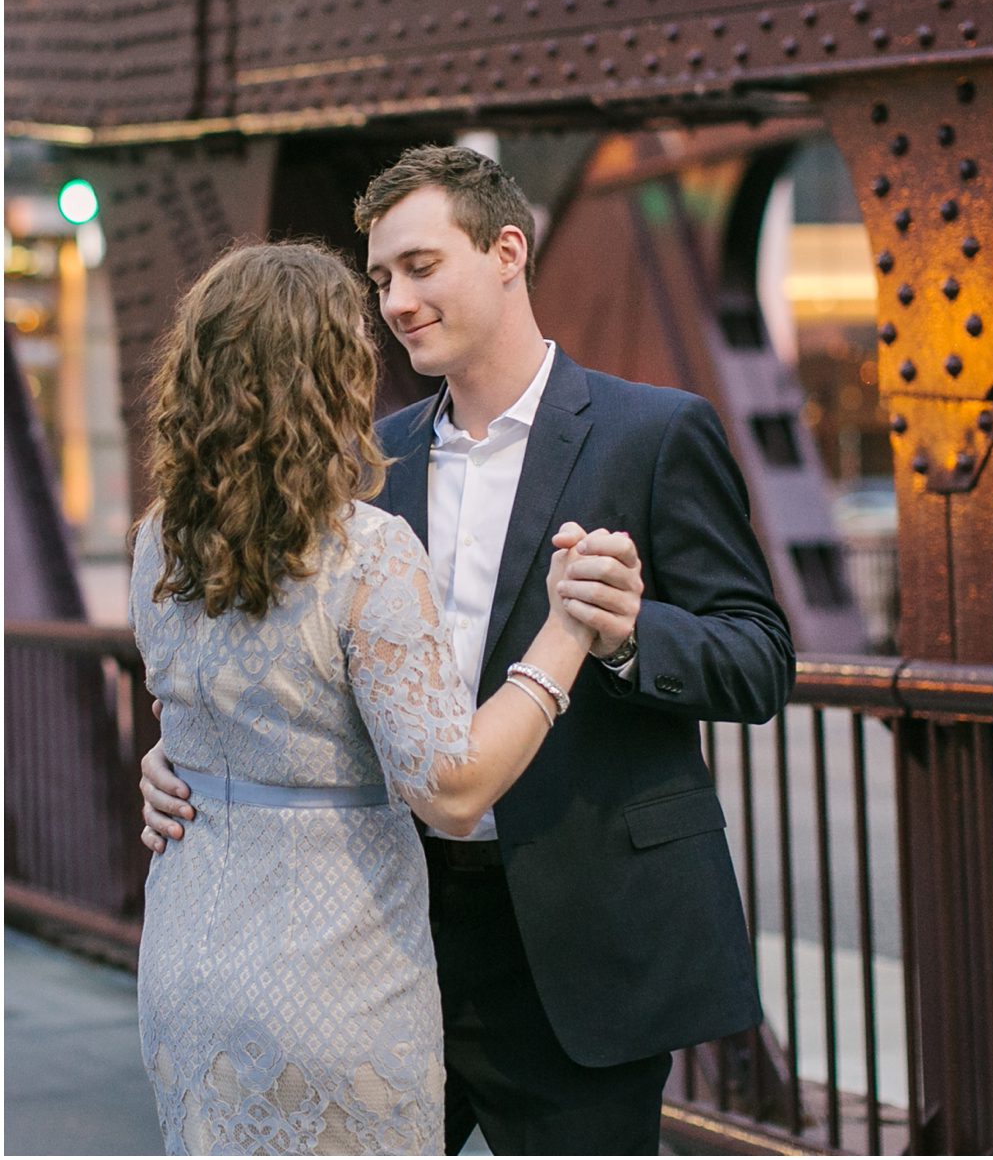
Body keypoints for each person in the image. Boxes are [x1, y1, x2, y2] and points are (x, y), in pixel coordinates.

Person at [142, 148, 793, 1154]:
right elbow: (294, 661)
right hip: (377, 940)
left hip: (582, 946)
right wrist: (191, 758)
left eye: (419, 265)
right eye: (380, 280)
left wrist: (625, 635)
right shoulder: (366, 462)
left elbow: (758, 658)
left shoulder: (653, 433)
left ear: (504, 251)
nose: (395, 301)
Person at [130, 242, 600, 1153]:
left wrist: (173, 760)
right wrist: (565, 635)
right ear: (333, 375)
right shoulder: (365, 551)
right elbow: (450, 789)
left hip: (185, 961)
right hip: (332, 971)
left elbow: (207, 710)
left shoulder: (159, 544)